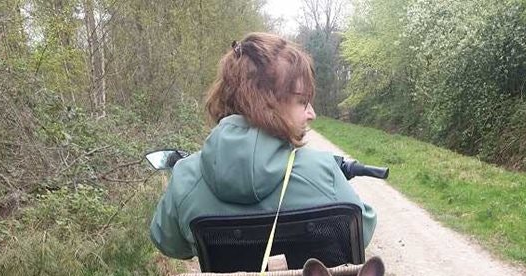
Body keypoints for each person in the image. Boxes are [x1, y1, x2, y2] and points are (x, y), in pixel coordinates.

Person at [150, 32, 377, 260]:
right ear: (267, 102)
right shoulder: (322, 172)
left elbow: (170, 245)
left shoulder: (186, 177)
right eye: (302, 101)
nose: (312, 113)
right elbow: (362, 231)